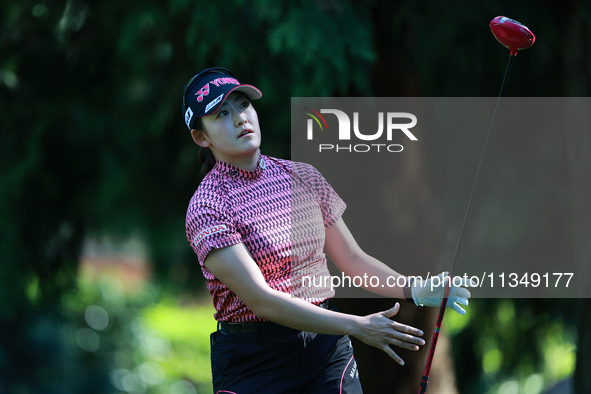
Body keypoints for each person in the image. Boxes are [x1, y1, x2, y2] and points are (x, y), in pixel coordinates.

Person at [183, 67, 472, 394]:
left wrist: (414, 289)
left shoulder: (304, 176)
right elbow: (262, 300)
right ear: (201, 137)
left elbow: (351, 257)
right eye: (222, 113)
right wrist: (357, 326)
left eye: (243, 105)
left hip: (325, 351)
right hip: (255, 363)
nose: (240, 118)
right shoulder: (208, 207)